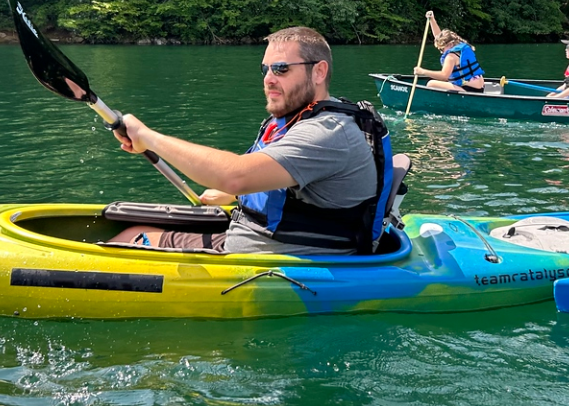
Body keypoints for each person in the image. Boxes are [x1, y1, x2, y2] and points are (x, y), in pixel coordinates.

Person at [110, 27, 393, 255]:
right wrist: (234, 197)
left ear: (318, 72)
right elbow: (286, 183)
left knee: (130, 237)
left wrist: (147, 137)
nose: (269, 79)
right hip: (253, 239)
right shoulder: (296, 118)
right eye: (265, 69)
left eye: (281, 69)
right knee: (131, 229)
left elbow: (235, 176)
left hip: (272, 261)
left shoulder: (327, 132)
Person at [412, 11, 486, 92]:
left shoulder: (451, 57)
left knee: (431, 84)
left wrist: (422, 71)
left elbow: (444, 76)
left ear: (450, 44)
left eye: (442, 49)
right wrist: (432, 20)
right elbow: (439, 37)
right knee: (448, 80)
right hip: (479, 88)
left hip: (468, 90)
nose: (441, 52)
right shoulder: (459, 46)